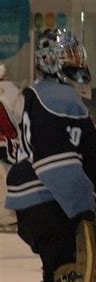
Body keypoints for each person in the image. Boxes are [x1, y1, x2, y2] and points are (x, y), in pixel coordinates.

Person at [4, 28, 96, 282]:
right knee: (79, 279)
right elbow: (56, 163)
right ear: (51, 60)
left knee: (56, 279)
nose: (76, 60)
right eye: (68, 55)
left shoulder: (37, 95)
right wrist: (86, 208)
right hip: (51, 201)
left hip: (32, 205)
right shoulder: (59, 97)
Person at [0, 63, 23, 232]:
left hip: (6, 145)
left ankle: (10, 214)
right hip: (11, 145)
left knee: (9, 177)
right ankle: (11, 214)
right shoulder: (9, 92)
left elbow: (12, 130)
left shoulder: (4, 98)